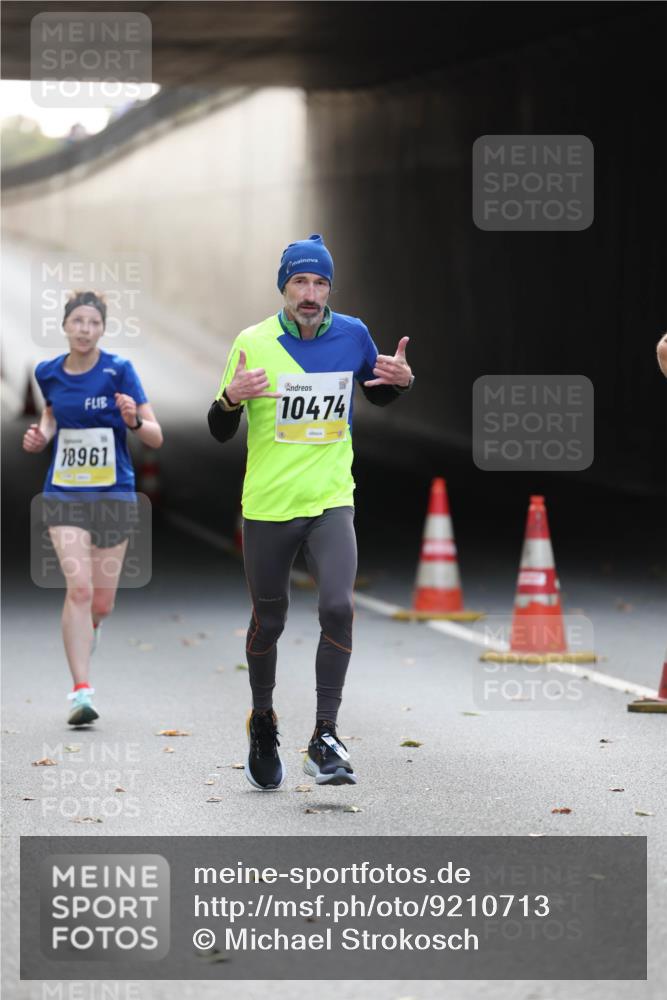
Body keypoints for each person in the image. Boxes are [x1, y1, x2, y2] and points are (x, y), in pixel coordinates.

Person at [208, 235, 414, 789]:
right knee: (270, 621)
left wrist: (402, 381)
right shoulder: (252, 342)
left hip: (330, 500)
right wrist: (230, 399)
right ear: (284, 287)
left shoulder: (353, 334)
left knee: (338, 607)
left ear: (329, 289)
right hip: (269, 505)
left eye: (320, 283)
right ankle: (263, 719)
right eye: (300, 281)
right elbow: (220, 428)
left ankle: (326, 735)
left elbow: (377, 388)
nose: (310, 293)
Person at [23, 291, 163, 726]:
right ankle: (80, 690)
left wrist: (133, 420)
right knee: (79, 590)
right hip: (64, 494)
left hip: (113, 494)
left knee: (101, 603)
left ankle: (93, 627)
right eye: (78, 321)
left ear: (102, 329)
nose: (85, 329)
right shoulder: (47, 372)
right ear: (65, 325)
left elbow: (155, 436)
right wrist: (42, 435)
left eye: (93, 323)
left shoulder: (119, 371)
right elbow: (51, 415)